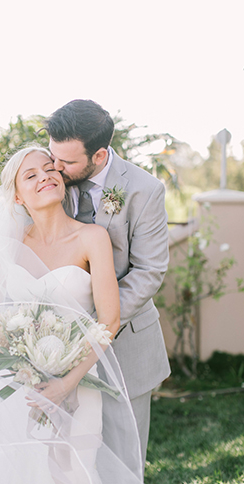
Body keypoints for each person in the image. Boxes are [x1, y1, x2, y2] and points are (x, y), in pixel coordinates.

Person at [0, 145, 144, 484]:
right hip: (23, 386)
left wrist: (65, 384)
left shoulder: (92, 238)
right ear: (18, 197)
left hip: (79, 381)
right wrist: (19, 362)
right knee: (23, 468)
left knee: (75, 470)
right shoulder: (9, 246)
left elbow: (109, 321)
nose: (45, 177)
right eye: (31, 175)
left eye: (49, 169)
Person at [45, 99, 171, 469]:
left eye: (66, 162)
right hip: (57, 341)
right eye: (53, 156)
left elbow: (149, 272)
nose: (55, 168)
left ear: (99, 156)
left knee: (121, 459)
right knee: (67, 459)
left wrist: (100, 320)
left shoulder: (145, 191)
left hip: (125, 344)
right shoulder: (54, 175)